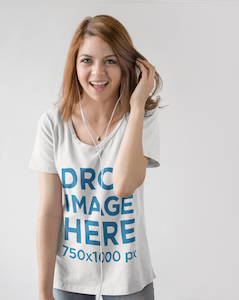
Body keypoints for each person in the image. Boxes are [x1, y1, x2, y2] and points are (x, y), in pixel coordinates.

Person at [29, 15, 166, 300]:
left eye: (110, 61)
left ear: (128, 64)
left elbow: (124, 185)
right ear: (74, 65)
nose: (98, 73)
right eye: (87, 60)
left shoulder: (142, 118)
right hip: (70, 279)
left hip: (129, 278)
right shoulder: (53, 124)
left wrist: (138, 105)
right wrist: (43, 291)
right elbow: (50, 212)